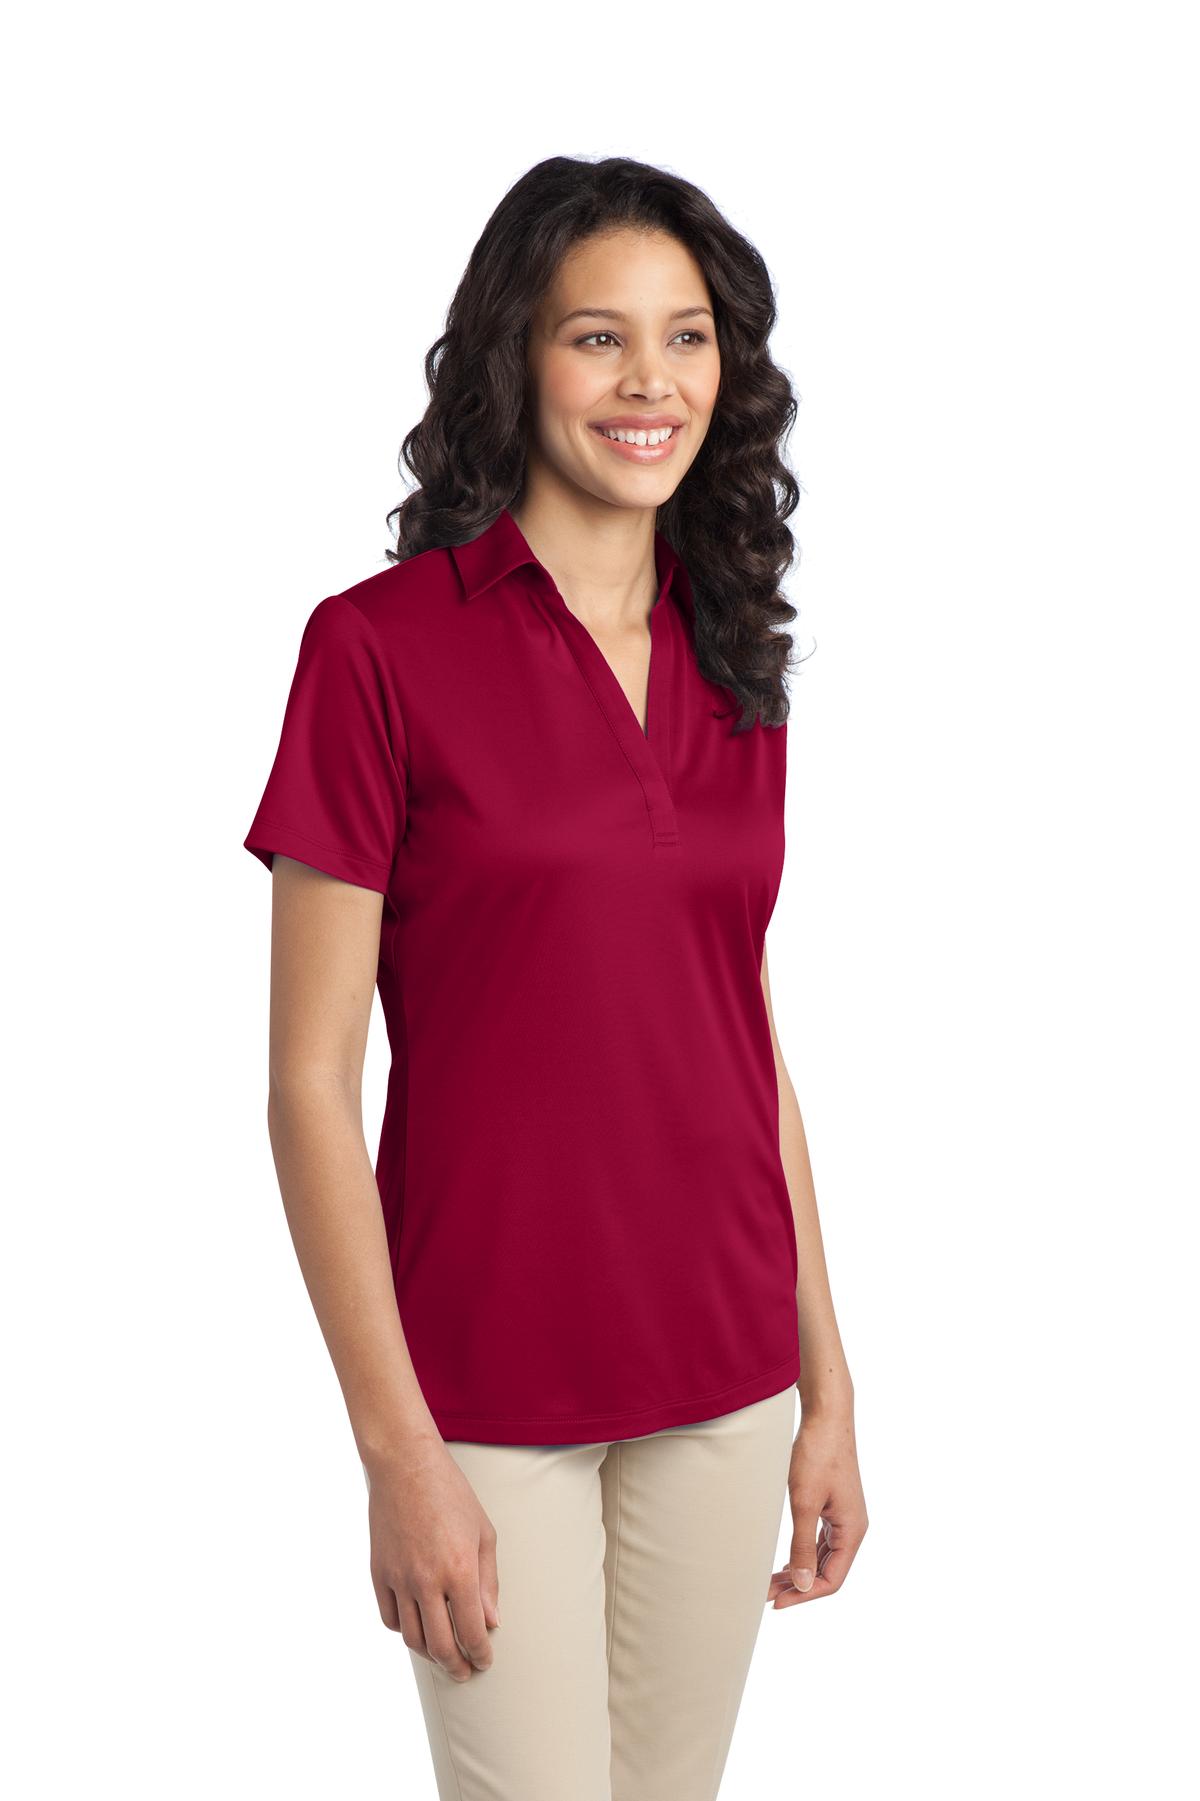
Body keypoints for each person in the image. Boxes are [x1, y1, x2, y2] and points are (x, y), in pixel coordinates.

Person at [243, 154, 868, 1801]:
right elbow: (308, 1085)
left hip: (726, 1372)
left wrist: (828, 1379)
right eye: (599, 337)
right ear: (515, 355)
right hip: (486, 1388)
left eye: (685, 337)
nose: (649, 382)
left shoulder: (738, 661)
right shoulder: (376, 649)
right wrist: (396, 1449)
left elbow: (739, 1029)